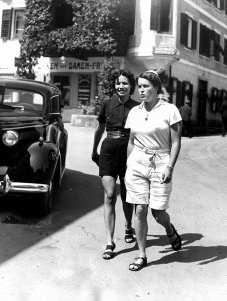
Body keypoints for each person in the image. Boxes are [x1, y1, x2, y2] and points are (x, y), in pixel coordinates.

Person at [124, 69, 182, 271]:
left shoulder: (170, 110)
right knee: (140, 209)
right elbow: (131, 141)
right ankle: (141, 255)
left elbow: (176, 142)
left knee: (158, 213)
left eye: (146, 86)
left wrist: (170, 167)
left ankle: (169, 228)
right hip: (138, 162)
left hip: (161, 162)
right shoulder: (134, 112)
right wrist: (128, 164)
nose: (141, 90)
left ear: (156, 88)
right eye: (139, 86)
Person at [91, 69, 139, 260]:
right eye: (118, 83)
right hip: (109, 150)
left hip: (129, 152)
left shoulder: (137, 107)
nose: (121, 86)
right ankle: (110, 241)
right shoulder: (107, 104)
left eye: (125, 83)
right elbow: (100, 128)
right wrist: (94, 150)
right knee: (110, 195)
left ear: (131, 86)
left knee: (127, 194)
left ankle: (128, 226)